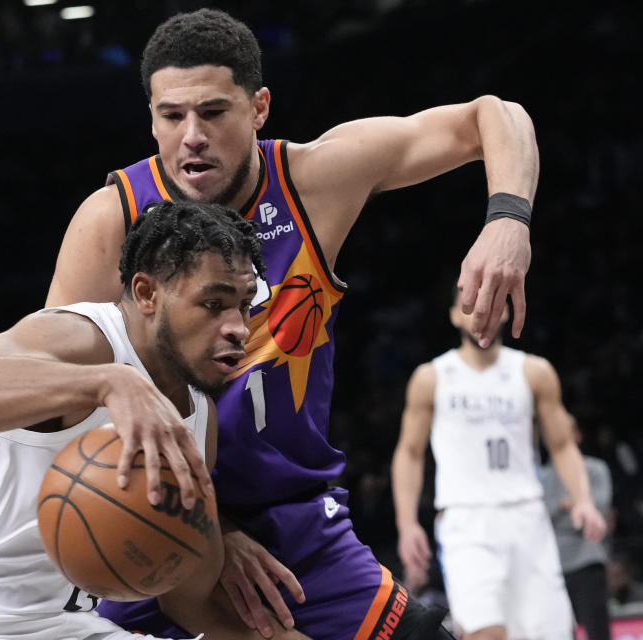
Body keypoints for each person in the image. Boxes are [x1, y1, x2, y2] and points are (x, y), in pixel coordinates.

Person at [46, 7, 536, 640]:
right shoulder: (113, 219)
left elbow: (493, 115)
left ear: (259, 108)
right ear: (151, 118)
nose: (191, 134)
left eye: (214, 112)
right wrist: (210, 537)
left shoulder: (313, 181)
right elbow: (59, 400)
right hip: (154, 526)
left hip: (299, 527)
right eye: (171, 116)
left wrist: (508, 222)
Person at [0, 202, 310, 640]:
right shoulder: (81, 337)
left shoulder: (198, 417)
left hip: (63, 624)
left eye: (245, 305)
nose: (238, 326)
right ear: (147, 294)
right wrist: (107, 383)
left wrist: (215, 538)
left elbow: (187, 597)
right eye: (214, 304)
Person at [391, 288, 607, 639]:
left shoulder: (534, 371)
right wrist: (407, 523)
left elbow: (563, 444)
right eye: (470, 307)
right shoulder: (431, 377)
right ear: (454, 315)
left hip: (528, 517)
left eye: (492, 305)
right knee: (485, 632)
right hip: (466, 519)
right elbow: (409, 453)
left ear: (506, 312)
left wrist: (583, 499)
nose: (481, 314)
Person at [541, 415, 613, 640]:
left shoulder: (595, 468)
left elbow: (599, 509)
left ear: (578, 435)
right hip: (552, 563)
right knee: (558, 629)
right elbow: (538, 518)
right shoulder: (540, 475)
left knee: (598, 628)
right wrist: (573, 503)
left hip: (588, 557)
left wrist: (571, 507)